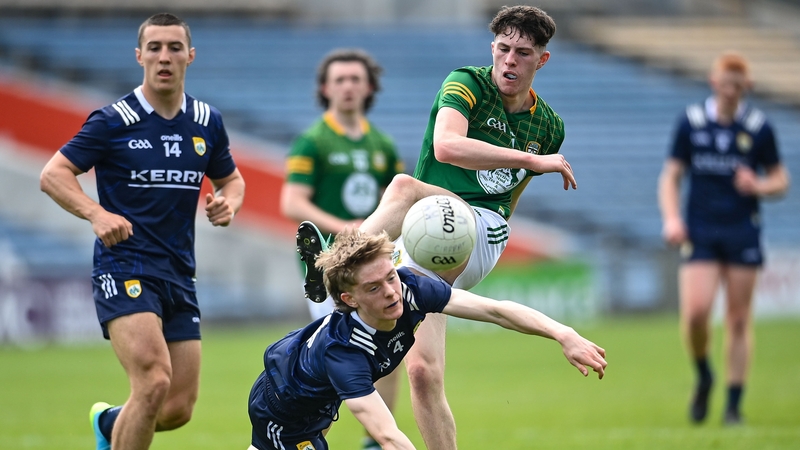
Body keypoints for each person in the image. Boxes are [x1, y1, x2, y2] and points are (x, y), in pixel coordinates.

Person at [292, 6, 571, 449]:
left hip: (480, 228)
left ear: (542, 59)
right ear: (492, 49)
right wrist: (528, 159)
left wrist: (517, 181)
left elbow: (510, 193)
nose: (510, 61)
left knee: (402, 185)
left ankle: (330, 264)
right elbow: (446, 146)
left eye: (522, 52)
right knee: (421, 371)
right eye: (503, 49)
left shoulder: (548, 126)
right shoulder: (467, 83)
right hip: (427, 224)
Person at [39, 13, 245, 450]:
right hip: (125, 264)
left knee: (176, 408)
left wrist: (229, 202)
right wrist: (96, 214)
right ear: (139, 56)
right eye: (155, 48)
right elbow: (53, 174)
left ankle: (110, 424)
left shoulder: (206, 121)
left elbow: (232, 179)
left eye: (174, 47)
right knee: (152, 382)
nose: (164, 57)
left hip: (179, 272)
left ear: (190, 55)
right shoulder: (114, 120)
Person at [248, 227, 606, 450]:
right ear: (349, 300)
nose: (391, 292)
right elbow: (388, 436)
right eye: (374, 287)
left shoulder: (411, 288)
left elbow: (495, 311)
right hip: (284, 411)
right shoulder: (344, 354)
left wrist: (563, 333)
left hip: (316, 396)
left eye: (390, 277)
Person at [280, 48, 403, 450]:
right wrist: (348, 231)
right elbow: (292, 202)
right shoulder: (312, 141)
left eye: (355, 79)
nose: (348, 86)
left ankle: (375, 441)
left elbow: (396, 200)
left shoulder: (382, 144)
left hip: (375, 265)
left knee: (391, 347)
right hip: (331, 271)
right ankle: (304, 436)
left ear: (369, 87)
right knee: (338, 354)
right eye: (340, 80)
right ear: (325, 88)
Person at [658, 51, 789, 425]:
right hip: (699, 230)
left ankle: (733, 405)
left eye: (738, 86)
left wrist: (759, 184)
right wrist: (671, 218)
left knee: (737, 318)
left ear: (746, 88)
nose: (731, 92)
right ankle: (704, 375)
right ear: (714, 83)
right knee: (697, 312)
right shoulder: (692, 122)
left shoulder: (759, 127)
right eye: (725, 84)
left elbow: (781, 179)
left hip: (741, 230)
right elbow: (670, 176)